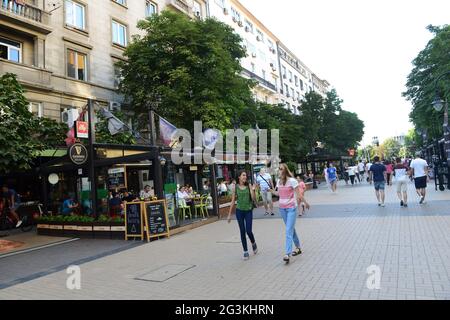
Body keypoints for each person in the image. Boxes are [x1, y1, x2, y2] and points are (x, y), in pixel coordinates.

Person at [269, 163, 303, 264]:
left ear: (285, 170)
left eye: (281, 169)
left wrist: (299, 203)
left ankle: (287, 254)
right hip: (282, 209)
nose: (279, 170)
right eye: (278, 169)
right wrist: (270, 190)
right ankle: (298, 247)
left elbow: (298, 194)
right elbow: (278, 194)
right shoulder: (279, 181)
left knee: (288, 230)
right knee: (291, 228)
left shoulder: (292, 181)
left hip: (291, 208)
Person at [227, 170, 258, 261]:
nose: (245, 177)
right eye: (243, 175)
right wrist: (229, 214)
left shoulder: (248, 186)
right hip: (239, 211)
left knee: (248, 231)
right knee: (242, 231)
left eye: (245, 175)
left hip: (248, 211)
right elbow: (233, 201)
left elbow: (253, 199)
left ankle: (253, 242)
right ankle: (245, 251)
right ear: (239, 177)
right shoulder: (235, 187)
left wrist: (253, 190)